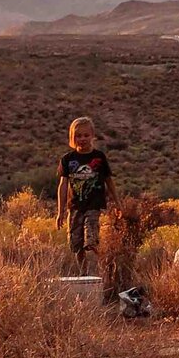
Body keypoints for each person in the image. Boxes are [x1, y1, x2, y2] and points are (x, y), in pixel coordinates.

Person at [55, 116, 112, 270]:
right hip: (74, 207)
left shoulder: (99, 158)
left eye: (86, 135)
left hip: (93, 205)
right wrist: (60, 212)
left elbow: (108, 181)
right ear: (73, 138)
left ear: (92, 135)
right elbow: (63, 185)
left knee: (91, 241)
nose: (82, 139)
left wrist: (117, 203)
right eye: (78, 136)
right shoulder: (67, 159)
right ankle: (84, 273)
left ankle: (103, 269)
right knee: (76, 244)